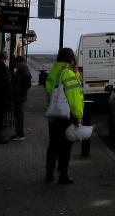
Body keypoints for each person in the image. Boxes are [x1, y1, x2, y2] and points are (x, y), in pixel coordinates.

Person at [44, 47, 84, 185]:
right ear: (70, 58)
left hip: (53, 115)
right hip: (66, 116)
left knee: (53, 144)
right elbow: (74, 97)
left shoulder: (53, 71)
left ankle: (49, 173)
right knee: (65, 147)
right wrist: (78, 115)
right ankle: (63, 175)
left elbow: (49, 93)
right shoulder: (68, 73)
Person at [11, 55, 32, 141]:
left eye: (15, 63)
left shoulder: (23, 71)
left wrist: (19, 90)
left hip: (20, 97)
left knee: (19, 115)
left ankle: (20, 134)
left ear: (20, 62)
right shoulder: (22, 70)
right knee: (18, 115)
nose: (14, 65)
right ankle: (18, 133)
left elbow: (27, 84)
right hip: (19, 96)